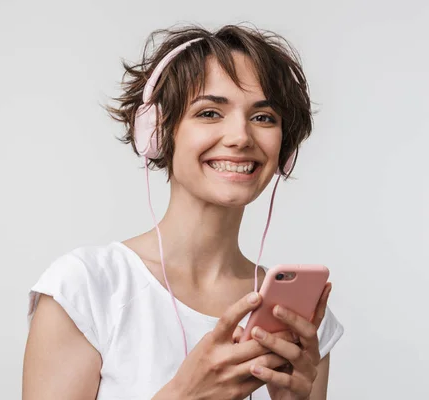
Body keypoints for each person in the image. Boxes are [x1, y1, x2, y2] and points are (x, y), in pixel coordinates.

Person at [22, 24, 344, 400]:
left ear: (284, 149)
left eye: (263, 117)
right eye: (209, 113)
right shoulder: (86, 288)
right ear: (157, 132)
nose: (241, 137)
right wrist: (185, 395)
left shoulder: (296, 318)